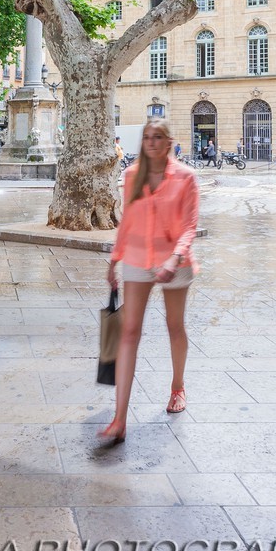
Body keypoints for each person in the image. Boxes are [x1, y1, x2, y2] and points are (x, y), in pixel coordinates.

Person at [99, 117, 199, 443]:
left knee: (174, 326)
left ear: (169, 142)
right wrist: (115, 260)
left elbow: (189, 227)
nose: (151, 142)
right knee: (129, 332)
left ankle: (177, 387)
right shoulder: (131, 176)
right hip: (138, 258)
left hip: (174, 260)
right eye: (146, 137)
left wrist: (174, 258)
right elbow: (127, 220)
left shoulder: (186, 178)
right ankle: (119, 418)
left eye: (157, 137)